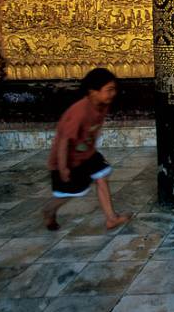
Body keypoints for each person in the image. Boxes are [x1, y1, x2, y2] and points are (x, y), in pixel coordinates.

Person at [41, 67, 130, 231]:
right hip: (68, 159)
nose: (113, 94)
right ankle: (49, 209)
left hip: (87, 154)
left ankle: (111, 218)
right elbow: (64, 141)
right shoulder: (79, 112)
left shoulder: (102, 105)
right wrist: (63, 168)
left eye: (114, 89)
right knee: (72, 191)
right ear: (93, 92)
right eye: (109, 90)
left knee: (101, 176)